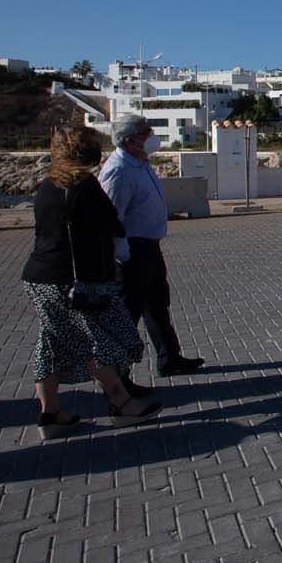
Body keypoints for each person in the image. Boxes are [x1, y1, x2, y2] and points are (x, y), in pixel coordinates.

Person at [21, 127, 160, 436]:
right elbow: (113, 224)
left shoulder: (48, 184)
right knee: (100, 341)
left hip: (40, 277)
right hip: (76, 282)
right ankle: (121, 403)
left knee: (53, 343)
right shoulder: (83, 185)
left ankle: (50, 412)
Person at [100, 114, 204, 378]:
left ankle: (169, 358)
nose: (151, 138)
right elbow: (112, 217)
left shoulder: (141, 163)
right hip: (132, 251)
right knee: (128, 314)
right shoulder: (118, 171)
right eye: (146, 133)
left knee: (157, 305)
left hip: (149, 247)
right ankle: (118, 377)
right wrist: (122, 254)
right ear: (130, 140)